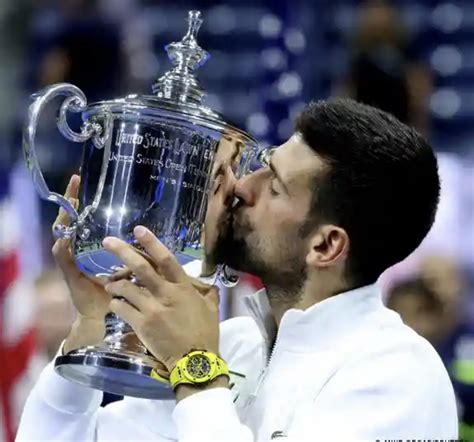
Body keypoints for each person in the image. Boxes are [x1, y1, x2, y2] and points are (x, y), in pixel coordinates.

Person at [16, 99, 457, 440]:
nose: (242, 187)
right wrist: (94, 323)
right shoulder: (232, 345)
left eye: (275, 186)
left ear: (326, 245)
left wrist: (197, 371)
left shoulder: (399, 375)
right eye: (263, 166)